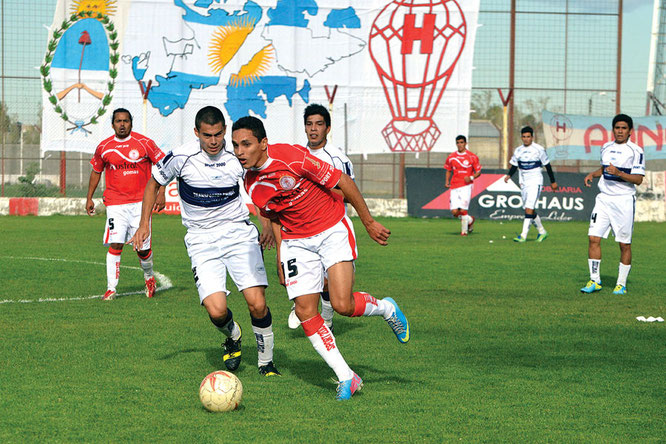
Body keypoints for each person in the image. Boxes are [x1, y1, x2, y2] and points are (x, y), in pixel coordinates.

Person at [232, 115, 409, 401]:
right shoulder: (250, 183)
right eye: (236, 145)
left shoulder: (293, 157)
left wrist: (368, 222)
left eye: (246, 144)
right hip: (296, 242)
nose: (240, 151)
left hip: (331, 229)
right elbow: (275, 216)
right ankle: (346, 377)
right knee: (305, 311)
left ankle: (386, 309)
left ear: (263, 143)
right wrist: (280, 255)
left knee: (342, 304)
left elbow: (343, 182)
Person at [130, 106, 280, 376]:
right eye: (207, 135)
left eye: (219, 134)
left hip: (238, 233)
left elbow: (260, 188)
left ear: (225, 130)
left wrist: (266, 224)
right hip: (200, 239)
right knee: (216, 310)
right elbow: (153, 183)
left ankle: (266, 362)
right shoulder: (181, 157)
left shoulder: (237, 157)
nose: (214, 141)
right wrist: (144, 225)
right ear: (197, 132)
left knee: (257, 303)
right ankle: (233, 333)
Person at [286, 103, 357, 331]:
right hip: (302, 228)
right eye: (309, 124)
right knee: (313, 276)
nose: (313, 129)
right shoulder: (296, 155)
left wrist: (320, 189)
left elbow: (350, 193)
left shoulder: (337, 159)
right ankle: (307, 305)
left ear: (328, 128)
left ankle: (326, 315)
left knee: (329, 283)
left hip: (332, 226)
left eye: (318, 124)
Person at [86, 108, 166, 301]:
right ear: (112, 124)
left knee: (143, 249)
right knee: (116, 243)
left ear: (131, 123)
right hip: (115, 203)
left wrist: (161, 192)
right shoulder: (104, 147)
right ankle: (111, 288)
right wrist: (89, 197)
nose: (122, 124)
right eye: (118, 121)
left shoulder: (144, 143)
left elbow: (163, 164)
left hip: (141, 203)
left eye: (126, 121)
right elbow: (96, 171)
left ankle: (149, 277)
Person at [580, 114, 645, 295]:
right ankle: (595, 281)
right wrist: (592, 175)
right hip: (603, 199)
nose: (620, 131)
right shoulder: (606, 147)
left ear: (630, 131)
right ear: (613, 129)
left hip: (623, 201)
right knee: (593, 238)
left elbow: (638, 179)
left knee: (624, 244)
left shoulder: (636, 151)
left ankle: (621, 284)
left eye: (624, 128)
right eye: (617, 128)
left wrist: (619, 173)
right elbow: (604, 168)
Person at [503, 126, 558, 242]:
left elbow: (547, 166)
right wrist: (509, 175)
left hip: (535, 181)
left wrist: (553, 181)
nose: (526, 139)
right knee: (529, 210)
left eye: (528, 137)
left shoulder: (539, 149)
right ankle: (542, 232)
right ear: (521, 137)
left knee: (528, 208)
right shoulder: (518, 150)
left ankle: (523, 235)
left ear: (532, 137)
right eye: (524, 137)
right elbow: (514, 165)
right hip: (523, 182)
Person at [444, 135, 482, 236]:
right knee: (455, 212)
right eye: (458, 143)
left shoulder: (472, 157)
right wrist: (447, 181)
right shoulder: (451, 157)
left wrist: (471, 178)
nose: (460, 145)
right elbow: (448, 169)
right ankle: (470, 220)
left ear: (466, 143)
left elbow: (478, 172)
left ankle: (464, 232)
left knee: (464, 210)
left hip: (466, 185)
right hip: (454, 186)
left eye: (462, 142)